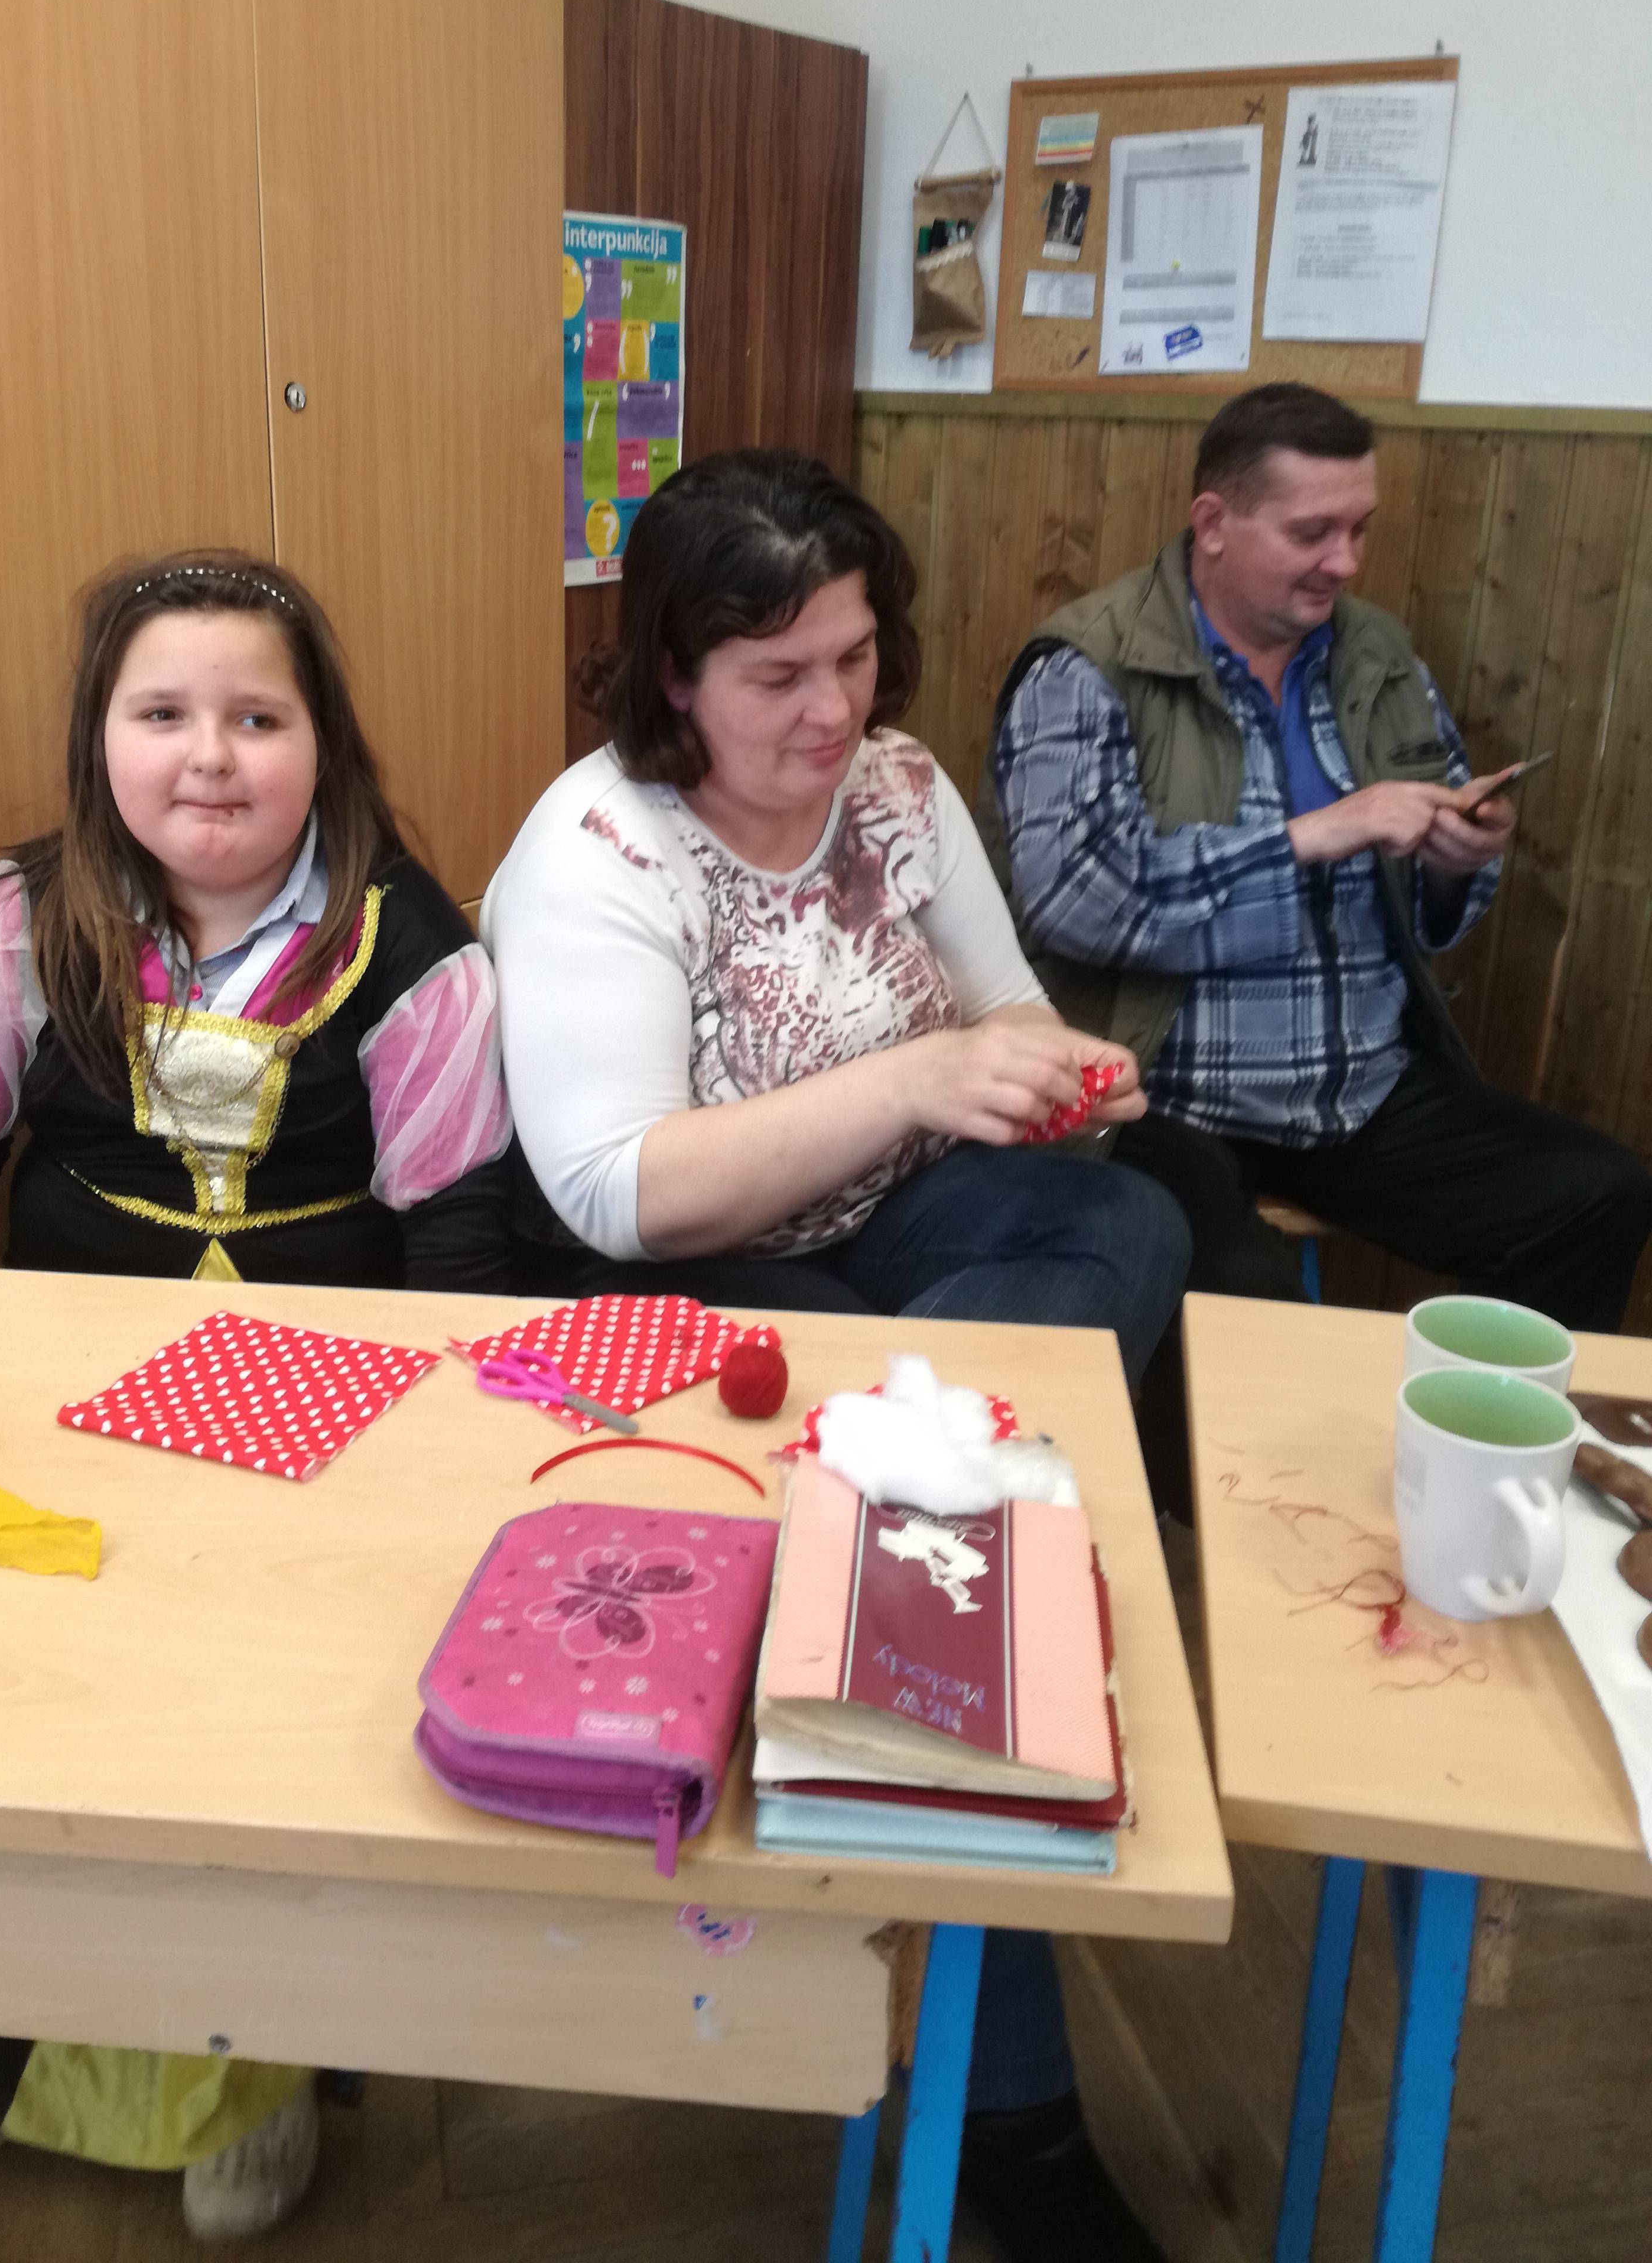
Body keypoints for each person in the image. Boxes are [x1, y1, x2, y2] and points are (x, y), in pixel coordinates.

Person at [483, 447, 1190, 2263]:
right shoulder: (599, 849)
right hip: (691, 1288)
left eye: (856, 658)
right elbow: (622, 1193)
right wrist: (916, 1078)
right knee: (957, 1506)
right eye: (777, 674)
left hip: (897, 1241)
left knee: (1134, 1223)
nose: (832, 712)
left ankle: (901, 1534)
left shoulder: (899, 785)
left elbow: (1009, 1009)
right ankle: (1012, 2102)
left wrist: (1060, 1076)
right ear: (675, 673)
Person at [0, 551, 513, 2238]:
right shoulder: (9, 929)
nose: (209, 755)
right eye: (162, 712)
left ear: (323, 742)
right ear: (101, 737)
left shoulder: (417, 956)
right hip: (58, 1418)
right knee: (28, 1716)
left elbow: (463, 1256)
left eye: (256, 718)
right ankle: (8, 2017)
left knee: (272, 1739)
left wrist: (426, 1504)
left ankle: (261, 2057)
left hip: (331, 1427)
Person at [981, 382, 1652, 1418]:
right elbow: (1075, 899)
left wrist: (1456, 857)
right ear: (1214, 521)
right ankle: (1221, 1498)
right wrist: (1313, 834)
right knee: (1246, 1302)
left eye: (1360, 530)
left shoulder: (1377, 655)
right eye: (1312, 533)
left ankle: (1473, 1447)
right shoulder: (1087, 665)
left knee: (1595, 1196)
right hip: (1166, 1096)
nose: (1345, 562)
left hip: (1360, 1089)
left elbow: (1434, 910)